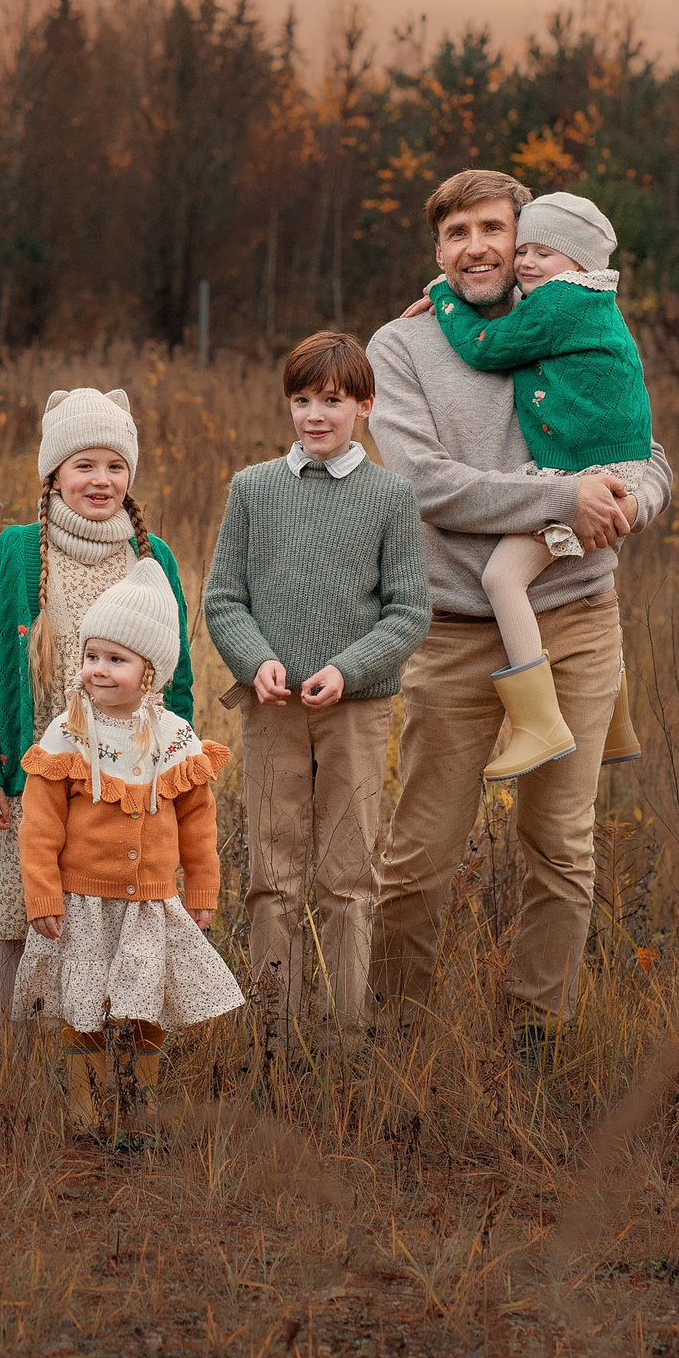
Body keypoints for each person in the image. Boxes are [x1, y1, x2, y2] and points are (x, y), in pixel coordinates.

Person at [366, 169, 673, 1051]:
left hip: (576, 619)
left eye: (492, 227)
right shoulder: (404, 344)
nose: (476, 246)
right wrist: (559, 502)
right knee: (420, 856)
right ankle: (395, 1033)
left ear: (524, 236)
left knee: (562, 849)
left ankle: (532, 1039)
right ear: (437, 251)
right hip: (457, 631)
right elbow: (426, 483)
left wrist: (625, 501)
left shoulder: (572, 311)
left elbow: (641, 449)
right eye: (455, 232)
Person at [202, 331, 429, 1046]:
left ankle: (344, 1035)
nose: (314, 416)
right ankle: (273, 1031)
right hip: (272, 710)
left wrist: (349, 668)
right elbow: (223, 599)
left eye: (331, 400)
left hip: (355, 711)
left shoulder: (391, 496)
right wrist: (256, 658)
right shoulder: (254, 488)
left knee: (347, 873)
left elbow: (408, 611)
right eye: (301, 400)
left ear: (363, 404)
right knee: (273, 870)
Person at [0, 388, 197, 1017]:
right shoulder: (13, 555)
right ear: (54, 474)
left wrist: (179, 768)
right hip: (41, 777)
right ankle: (29, 1060)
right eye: (83, 465)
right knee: (32, 910)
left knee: (124, 912)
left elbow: (180, 676)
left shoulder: (151, 558)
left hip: (132, 781)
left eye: (114, 466)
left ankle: (116, 1050)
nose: (100, 481)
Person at [418, 192, 652, 780]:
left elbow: (488, 344)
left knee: (503, 576)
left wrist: (444, 297)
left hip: (584, 479)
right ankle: (615, 715)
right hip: (605, 470)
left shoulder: (561, 304)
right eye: (523, 250)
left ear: (576, 264)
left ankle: (538, 724)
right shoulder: (585, 297)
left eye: (541, 253)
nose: (525, 264)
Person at [10, 558, 244, 1135]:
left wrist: (204, 887)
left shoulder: (173, 738)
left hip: (151, 904)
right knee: (83, 1005)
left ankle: (138, 1103)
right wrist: (42, 894)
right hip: (83, 901)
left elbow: (198, 822)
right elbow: (39, 825)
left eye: (117, 660)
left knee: (147, 1002)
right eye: (92, 656)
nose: (99, 670)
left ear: (151, 673)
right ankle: (83, 1108)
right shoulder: (68, 733)